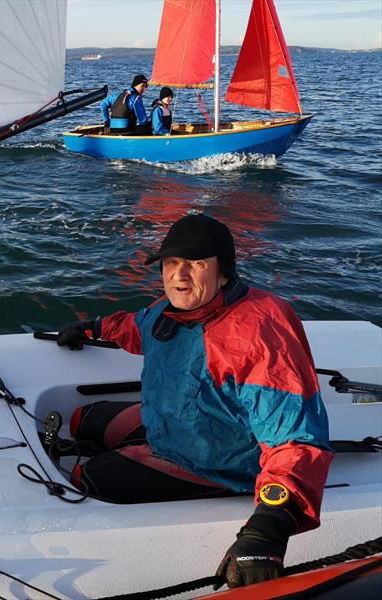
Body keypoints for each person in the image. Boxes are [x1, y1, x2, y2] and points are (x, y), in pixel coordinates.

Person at [55, 213, 333, 589]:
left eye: (196, 264)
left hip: (217, 460)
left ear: (224, 271)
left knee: (85, 478)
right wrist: (92, 328)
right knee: (81, 419)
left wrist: (270, 525)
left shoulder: (260, 330)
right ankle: (127, 447)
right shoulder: (167, 310)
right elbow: (136, 327)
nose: (179, 276)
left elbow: (294, 438)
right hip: (171, 421)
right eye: (171, 264)